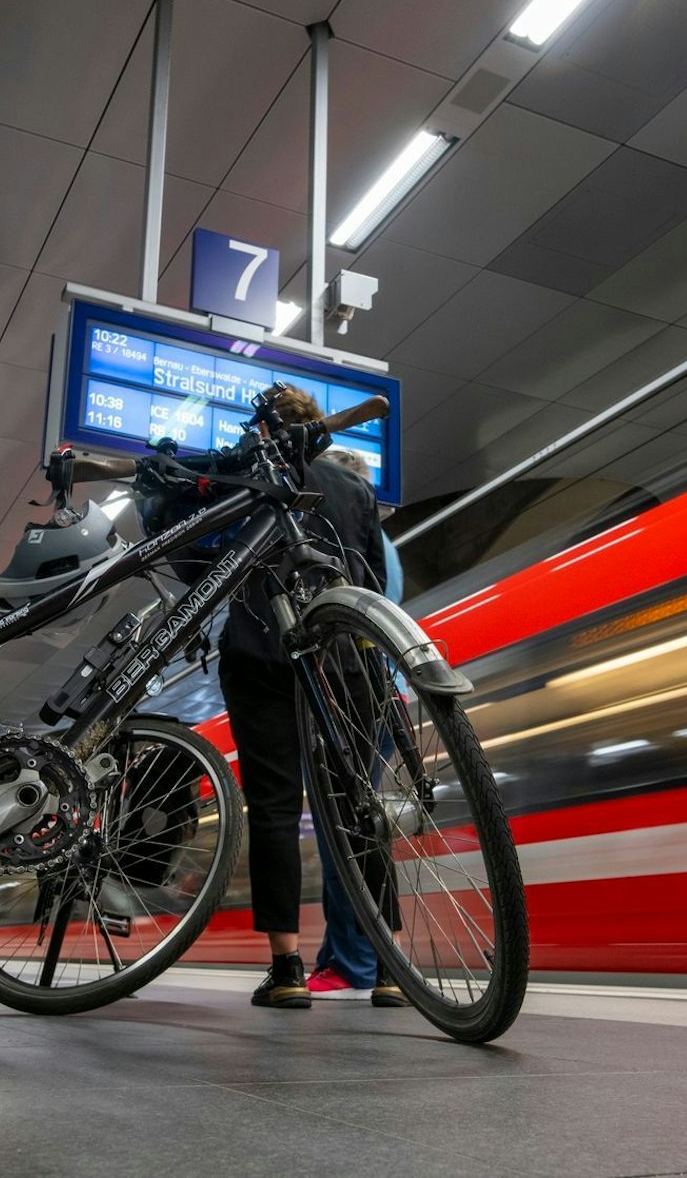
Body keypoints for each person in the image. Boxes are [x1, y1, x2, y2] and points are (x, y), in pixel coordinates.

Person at [218, 386, 393, 1009]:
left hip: (261, 653)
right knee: (360, 805)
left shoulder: (246, 472)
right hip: (343, 660)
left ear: (263, 430)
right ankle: (389, 970)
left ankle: (287, 967)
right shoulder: (355, 490)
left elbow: (202, 568)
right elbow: (370, 583)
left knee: (273, 810)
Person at [300, 449, 407, 1006]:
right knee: (351, 822)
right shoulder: (383, 546)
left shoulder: (344, 538)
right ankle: (340, 954)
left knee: (347, 828)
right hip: (376, 688)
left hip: (350, 685)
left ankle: (357, 961)